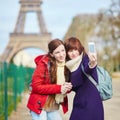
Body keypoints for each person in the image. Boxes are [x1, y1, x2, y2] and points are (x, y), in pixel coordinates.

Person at [27, 39, 72, 120]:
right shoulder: (43, 64)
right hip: (39, 105)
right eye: (57, 52)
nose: (61, 54)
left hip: (52, 106)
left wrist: (66, 88)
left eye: (63, 50)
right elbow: (36, 87)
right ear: (51, 54)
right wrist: (59, 88)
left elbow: (65, 88)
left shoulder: (67, 66)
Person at [64, 37, 104, 120]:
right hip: (79, 102)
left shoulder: (85, 59)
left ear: (80, 49)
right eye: (70, 51)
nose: (74, 53)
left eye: (75, 49)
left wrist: (92, 63)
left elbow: (88, 69)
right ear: (66, 53)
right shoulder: (69, 66)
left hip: (91, 103)